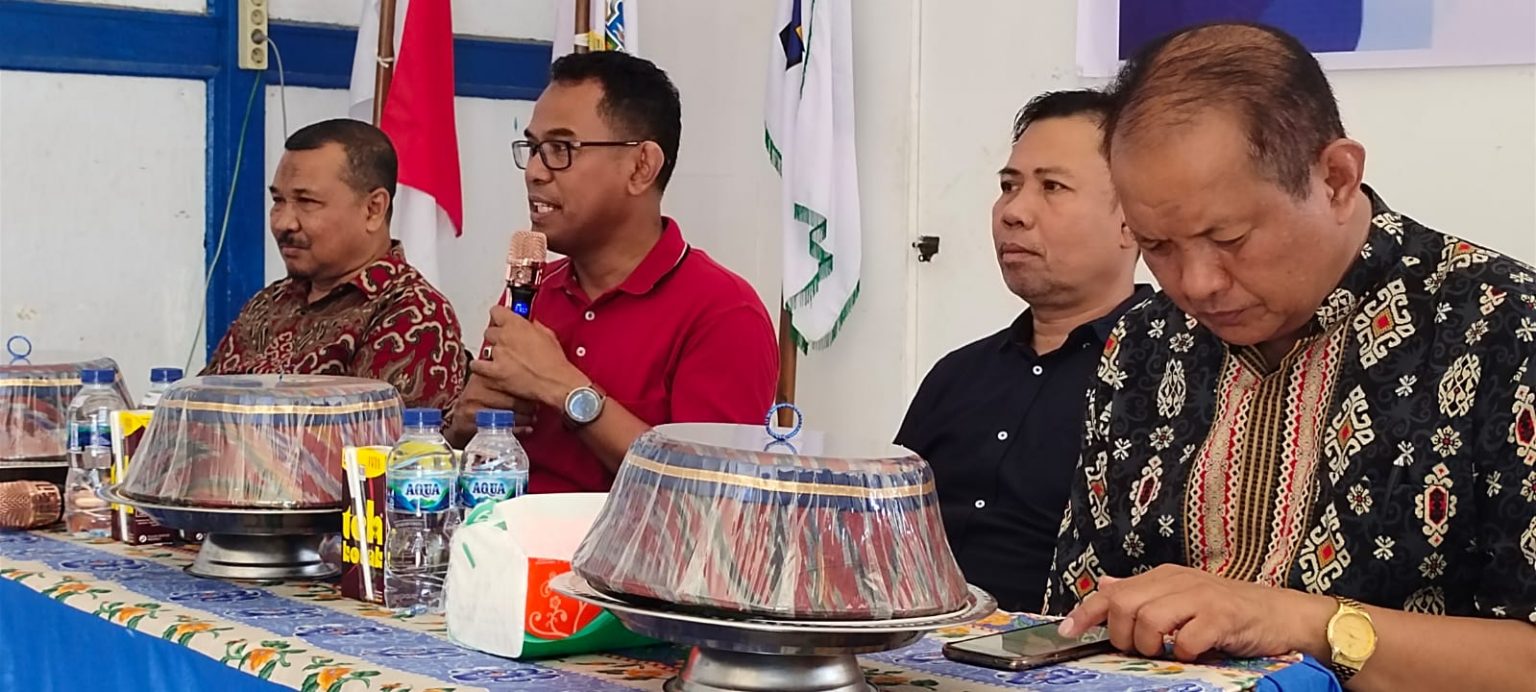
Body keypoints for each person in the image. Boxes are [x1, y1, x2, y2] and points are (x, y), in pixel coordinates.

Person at [1045, 23, 1536, 690]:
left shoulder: (1504, 328)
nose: (1196, 284)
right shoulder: (1143, 343)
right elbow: (1074, 616)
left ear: (1336, 178)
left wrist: (1301, 621)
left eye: (1228, 237)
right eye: (1156, 246)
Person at [447, 51, 778, 493]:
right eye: (533, 149)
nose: (534, 172)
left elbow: (711, 492)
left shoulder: (724, 313)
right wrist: (465, 427)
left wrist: (567, 390)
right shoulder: (531, 292)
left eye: (561, 150)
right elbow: (480, 457)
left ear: (641, 167)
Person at [895, 90, 1150, 613]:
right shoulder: (958, 375)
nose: (1014, 212)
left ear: (1132, 220)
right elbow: (884, 536)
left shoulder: (1171, 375)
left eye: (1052, 187)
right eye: (1009, 186)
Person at [203, 119, 467, 410]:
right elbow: (200, 411)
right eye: (278, 200)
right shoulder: (267, 304)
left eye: (307, 202)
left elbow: (376, 435)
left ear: (373, 209)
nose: (282, 223)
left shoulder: (413, 315)